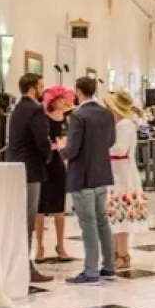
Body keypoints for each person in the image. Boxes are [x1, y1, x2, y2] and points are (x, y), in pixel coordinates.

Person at [64, 76, 116, 285]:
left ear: (78, 92)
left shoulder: (78, 115)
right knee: (102, 220)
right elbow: (110, 141)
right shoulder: (106, 113)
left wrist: (60, 151)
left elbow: (73, 149)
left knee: (89, 223)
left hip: (82, 174)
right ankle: (109, 266)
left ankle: (91, 270)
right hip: (101, 173)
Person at [6, 73, 53, 284]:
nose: (43, 90)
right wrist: (49, 156)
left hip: (15, 167)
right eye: (41, 86)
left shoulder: (17, 108)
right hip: (31, 168)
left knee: (19, 218)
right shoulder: (35, 110)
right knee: (28, 219)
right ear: (33, 88)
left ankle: (19, 265)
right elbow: (41, 140)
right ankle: (25, 267)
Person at [104, 90, 148, 272]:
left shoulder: (125, 125)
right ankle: (116, 252)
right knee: (115, 214)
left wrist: (100, 147)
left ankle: (122, 253)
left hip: (122, 174)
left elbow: (120, 149)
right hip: (116, 172)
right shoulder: (120, 124)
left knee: (121, 213)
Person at [35, 86, 73, 263]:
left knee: (59, 207)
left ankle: (61, 244)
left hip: (58, 163)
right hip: (44, 163)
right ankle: (40, 246)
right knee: (40, 208)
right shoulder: (43, 119)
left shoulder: (67, 119)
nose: (64, 101)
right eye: (60, 99)